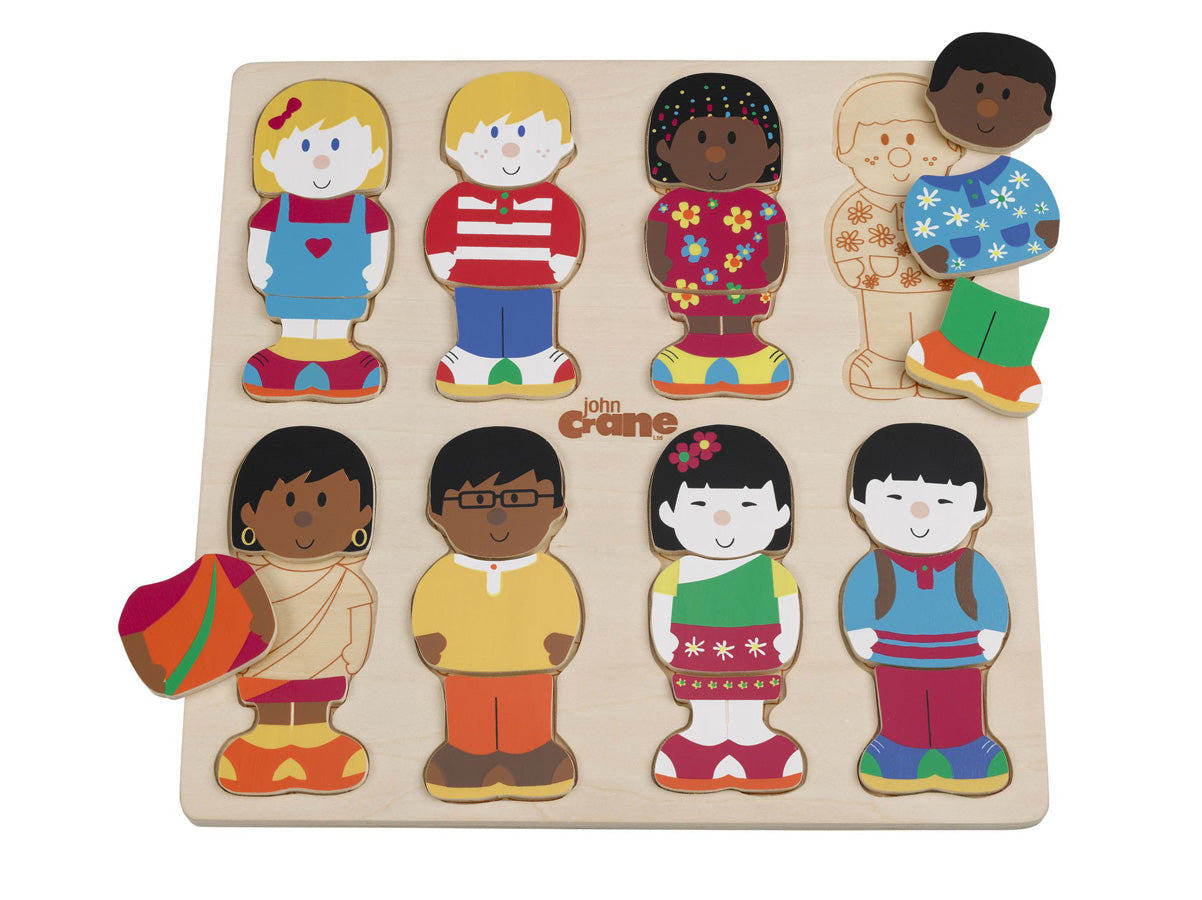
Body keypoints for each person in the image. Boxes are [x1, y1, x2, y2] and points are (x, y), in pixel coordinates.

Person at [413, 427, 582, 801]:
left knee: (527, 710)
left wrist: (559, 639)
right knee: (468, 712)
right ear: (437, 513)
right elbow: (429, 604)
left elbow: (562, 604)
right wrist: (430, 639)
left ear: (556, 509)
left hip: (530, 666)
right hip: (464, 667)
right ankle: (467, 755)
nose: (497, 513)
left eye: (519, 498)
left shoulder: (547, 570)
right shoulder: (445, 572)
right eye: (475, 500)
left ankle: (532, 753)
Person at [841, 423, 1010, 795]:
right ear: (859, 504)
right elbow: (858, 600)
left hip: (961, 655)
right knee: (901, 700)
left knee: (960, 699)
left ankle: (966, 748)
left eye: (944, 503)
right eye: (895, 499)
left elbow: (992, 600)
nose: (919, 514)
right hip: (894, 655)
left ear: (977, 511)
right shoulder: (874, 566)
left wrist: (993, 631)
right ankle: (899, 747)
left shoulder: (971, 565)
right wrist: (860, 632)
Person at [903, 34, 1059, 414]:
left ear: (1041, 117)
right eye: (977, 90)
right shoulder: (928, 190)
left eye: (1007, 96)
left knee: (995, 293)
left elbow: (1043, 222)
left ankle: (1007, 364)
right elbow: (930, 234)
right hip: (969, 266)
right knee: (977, 294)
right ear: (934, 96)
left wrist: (1040, 230)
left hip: (1002, 258)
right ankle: (959, 353)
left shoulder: (1019, 177)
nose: (988, 107)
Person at [217, 426, 377, 795]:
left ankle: (317, 749)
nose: (304, 516)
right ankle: (263, 750)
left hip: (324, 669)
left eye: (323, 501)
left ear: (362, 516)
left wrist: (352, 657)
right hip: (267, 668)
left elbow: (359, 617)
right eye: (288, 501)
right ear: (248, 514)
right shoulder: (252, 579)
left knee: (312, 712)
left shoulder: (347, 580)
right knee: (272, 711)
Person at [648, 424, 803, 792]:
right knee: (706, 700)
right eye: (699, 505)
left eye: (748, 505)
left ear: (781, 514)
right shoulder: (676, 573)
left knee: (750, 698)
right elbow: (662, 608)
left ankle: (754, 740)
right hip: (694, 650)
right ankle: (702, 741)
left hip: (758, 649)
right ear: (668, 513)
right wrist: (665, 641)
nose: (724, 519)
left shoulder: (773, 572)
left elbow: (788, 607)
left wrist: (786, 642)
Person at [425, 73, 582, 399]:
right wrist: (442, 258)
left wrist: (561, 259)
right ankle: (474, 357)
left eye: (524, 133)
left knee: (532, 314)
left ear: (563, 146)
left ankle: (535, 356)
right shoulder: (457, 198)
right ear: (455, 148)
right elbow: (441, 227)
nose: (510, 149)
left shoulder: (554, 200)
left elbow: (565, 227)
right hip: (472, 278)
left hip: (534, 279)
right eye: (493, 134)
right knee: (476, 314)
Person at [645, 74, 791, 397]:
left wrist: (770, 265)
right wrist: (662, 265)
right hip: (689, 283)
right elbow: (658, 232)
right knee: (700, 316)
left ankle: (747, 352)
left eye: (733, 139)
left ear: (770, 152)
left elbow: (775, 235)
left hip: (749, 281)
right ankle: (695, 353)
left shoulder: (764, 206)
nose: (715, 153)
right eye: (700, 138)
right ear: (664, 150)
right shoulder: (671, 205)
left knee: (741, 315)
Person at [244, 80, 391, 400]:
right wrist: (259, 269)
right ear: (269, 159)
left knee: (334, 323)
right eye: (305, 147)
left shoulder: (366, 211)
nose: (321, 160)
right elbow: (259, 238)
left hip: (345, 287)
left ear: (374, 157)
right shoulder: (275, 210)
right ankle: (288, 357)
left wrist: (374, 271)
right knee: (295, 321)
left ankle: (338, 358)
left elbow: (378, 240)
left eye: (337, 146)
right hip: (287, 286)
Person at [828, 74, 964, 400]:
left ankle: (940, 367)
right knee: (887, 326)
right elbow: (845, 243)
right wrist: (855, 266)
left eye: (913, 140)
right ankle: (885, 363)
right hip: (880, 285)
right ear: (848, 151)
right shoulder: (857, 205)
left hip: (938, 286)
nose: (899, 155)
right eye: (884, 140)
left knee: (936, 324)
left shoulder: (949, 200)